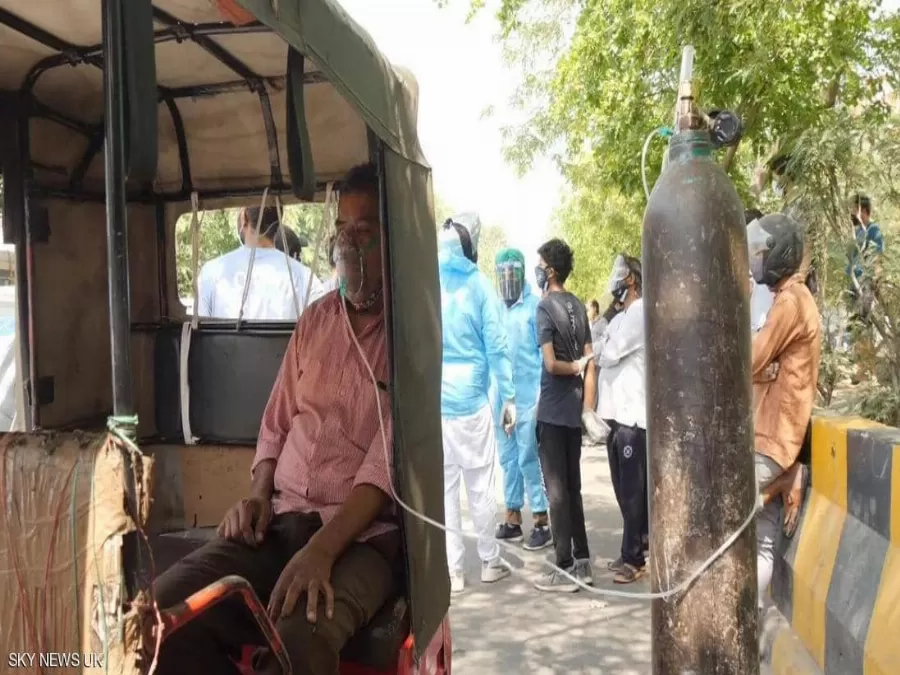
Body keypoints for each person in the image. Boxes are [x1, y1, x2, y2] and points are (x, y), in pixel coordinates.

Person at [152, 163, 402, 675]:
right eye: (342, 232)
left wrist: (320, 552)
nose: (348, 247)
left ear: (392, 241)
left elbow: (381, 474)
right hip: (281, 520)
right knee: (160, 614)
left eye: (365, 233)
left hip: (360, 538)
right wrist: (258, 496)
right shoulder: (316, 320)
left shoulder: (405, 340)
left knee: (297, 641)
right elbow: (276, 422)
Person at [438, 213, 515, 594]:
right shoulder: (480, 287)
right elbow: (498, 349)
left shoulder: (430, 284)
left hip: (437, 407)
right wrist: (509, 399)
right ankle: (489, 561)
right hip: (471, 404)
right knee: (481, 486)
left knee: (447, 492)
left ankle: (453, 572)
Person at [747, 213, 820, 608]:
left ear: (779, 254)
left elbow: (752, 358)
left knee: (725, 504)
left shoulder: (791, 300)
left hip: (772, 440)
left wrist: (758, 365)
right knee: (763, 539)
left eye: (761, 251)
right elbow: (762, 366)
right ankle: (751, 642)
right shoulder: (790, 299)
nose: (755, 258)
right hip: (776, 438)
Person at [532, 238, 597, 593]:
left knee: (556, 491)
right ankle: (583, 560)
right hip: (572, 411)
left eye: (540, 263)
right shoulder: (577, 305)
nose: (536, 269)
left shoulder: (544, 309)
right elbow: (591, 362)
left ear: (550, 271)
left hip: (554, 412)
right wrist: (587, 407)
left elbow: (550, 363)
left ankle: (564, 565)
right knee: (573, 488)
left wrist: (571, 366)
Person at [492, 248, 551, 551]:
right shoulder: (495, 308)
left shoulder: (533, 308)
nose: (507, 279)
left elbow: (543, 354)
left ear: (521, 273)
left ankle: (541, 519)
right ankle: (513, 516)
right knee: (508, 457)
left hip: (528, 396)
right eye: (502, 274)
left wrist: (542, 394)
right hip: (503, 399)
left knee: (528, 456)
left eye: (512, 273)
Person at [596, 254, 648, 584]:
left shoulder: (640, 312)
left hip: (633, 416)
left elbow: (608, 352)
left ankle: (634, 557)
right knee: (622, 487)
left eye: (620, 274)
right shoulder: (622, 315)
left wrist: (604, 345)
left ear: (631, 279)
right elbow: (597, 340)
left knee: (631, 490)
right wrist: (603, 344)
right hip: (617, 416)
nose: (615, 280)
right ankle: (635, 543)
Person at [197, 206, 324, 320]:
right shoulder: (305, 278)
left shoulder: (212, 272)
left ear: (244, 217)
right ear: (280, 219)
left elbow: (200, 331)